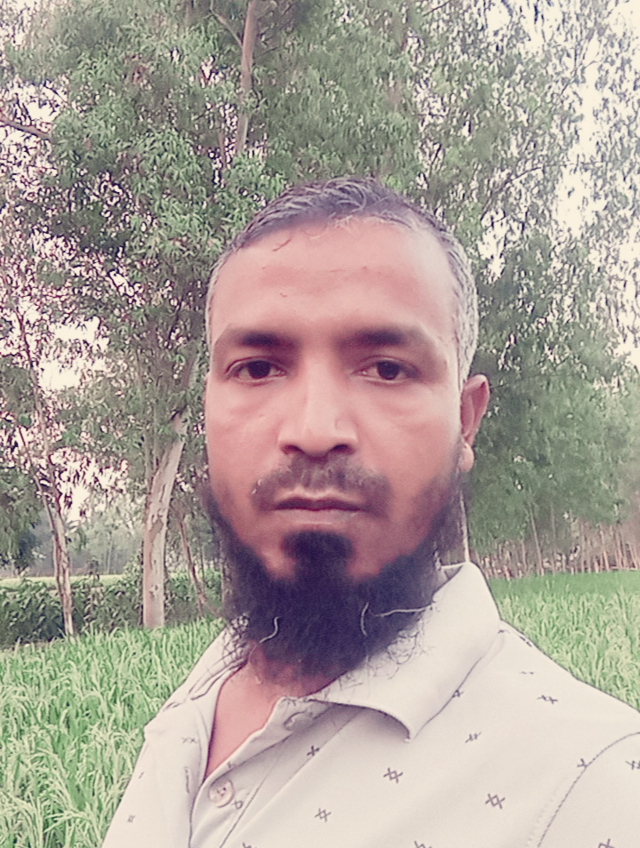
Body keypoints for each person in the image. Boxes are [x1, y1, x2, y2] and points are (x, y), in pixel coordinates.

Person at [102, 177, 640, 848]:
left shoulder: (592, 789)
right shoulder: (199, 700)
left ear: (465, 420)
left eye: (386, 369)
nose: (315, 429)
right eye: (258, 368)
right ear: (207, 406)